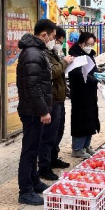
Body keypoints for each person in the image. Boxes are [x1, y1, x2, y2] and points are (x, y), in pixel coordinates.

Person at [16, 19, 57, 206]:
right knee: (29, 151)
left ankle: (34, 181)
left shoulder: (37, 51)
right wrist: (43, 111)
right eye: (53, 37)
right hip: (32, 111)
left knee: (34, 148)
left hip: (34, 110)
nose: (53, 40)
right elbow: (33, 87)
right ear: (44, 35)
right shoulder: (33, 53)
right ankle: (25, 191)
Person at [38, 27, 74, 181]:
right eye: (56, 39)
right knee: (48, 135)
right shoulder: (43, 54)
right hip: (51, 99)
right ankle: (44, 166)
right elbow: (52, 72)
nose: (57, 42)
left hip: (59, 98)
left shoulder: (53, 52)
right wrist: (65, 62)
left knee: (58, 131)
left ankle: (53, 158)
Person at [69, 32, 101, 159]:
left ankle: (86, 145)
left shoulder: (90, 54)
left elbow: (93, 70)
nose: (90, 47)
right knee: (80, 120)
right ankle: (77, 148)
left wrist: (99, 75)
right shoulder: (74, 55)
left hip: (90, 92)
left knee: (91, 119)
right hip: (80, 93)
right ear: (81, 43)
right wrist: (94, 79)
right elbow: (78, 74)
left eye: (92, 44)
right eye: (88, 44)